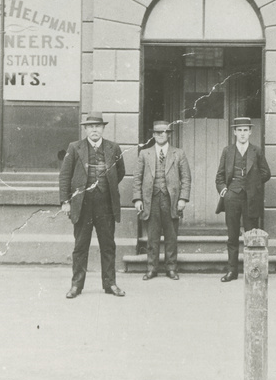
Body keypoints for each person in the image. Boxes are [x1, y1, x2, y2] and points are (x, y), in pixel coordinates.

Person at [59, 112, 126, 298]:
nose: (94, 129)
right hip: (82, 205)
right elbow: (65, 176)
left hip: (105, 206)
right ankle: (76, 286)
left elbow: (120, 172)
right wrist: (66, 201)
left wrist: (106, 187)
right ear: (86, 129)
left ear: (103, 128)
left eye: (98, 126)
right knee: (80, 246)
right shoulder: (74, 148)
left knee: (108, 245)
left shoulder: (113, 148)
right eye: (91, 126)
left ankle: (110, 284)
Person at [132, 121, 192, 280]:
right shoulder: (145, 153)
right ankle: (152, 268)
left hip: (171, 200)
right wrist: (137, 199)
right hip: (150, 200)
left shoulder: (178, 153)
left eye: (163, 132)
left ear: (169, 134)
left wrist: (183, 199)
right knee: (152, 236)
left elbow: (186, 178)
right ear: (153, 135)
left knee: (171, 236)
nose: (160, 135)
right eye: (157, 132)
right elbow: (137, 179)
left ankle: (171, 268)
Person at [215, 116, 271, 282]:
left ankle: (252, 272)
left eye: (245, 130)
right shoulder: (227, 151)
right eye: (239, 130)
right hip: (232, 197)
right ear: (234, 132)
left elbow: (266, 173)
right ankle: (232, 271)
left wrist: (253, 185)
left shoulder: (256, 151)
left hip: (250, 199)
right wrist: (224, 191)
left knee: (251, 236)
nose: (242, 134)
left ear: (250, 132)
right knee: (232, 236)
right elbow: (219, 176)